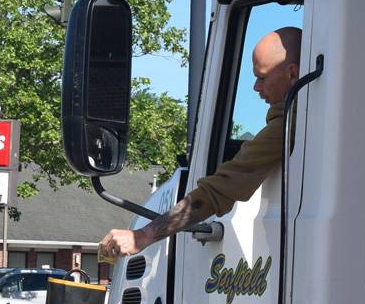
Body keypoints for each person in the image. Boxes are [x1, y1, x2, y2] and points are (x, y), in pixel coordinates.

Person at [100, 27, 301, 258]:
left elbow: (220, 189)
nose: (256, 87)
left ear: (292, 74)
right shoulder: (304, 117)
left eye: (262, 77)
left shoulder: (290, 125)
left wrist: (144, 234)